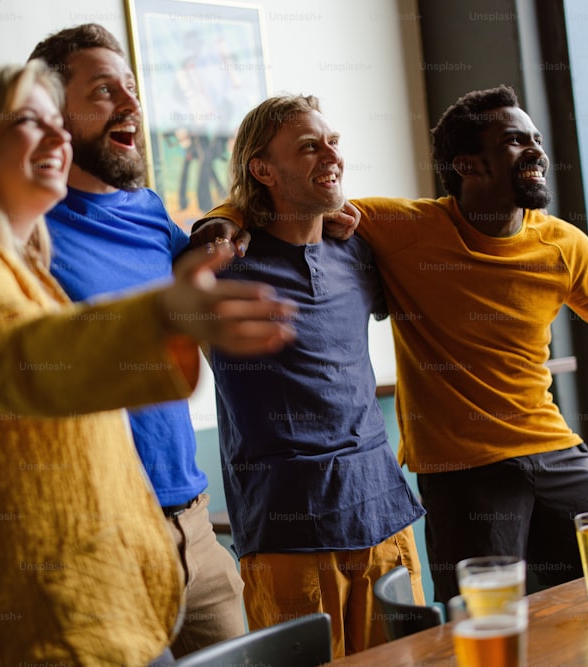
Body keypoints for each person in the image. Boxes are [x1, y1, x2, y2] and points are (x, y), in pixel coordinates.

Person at [196, 84, 588, 604]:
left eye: (534, 139)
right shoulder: (399, 227)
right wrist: (220, 223)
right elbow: (285, 203)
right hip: (464, 474)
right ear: (467, 165)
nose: (535, 150)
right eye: (515, 140)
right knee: (484, 626)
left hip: (556, 453)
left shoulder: (560, 242)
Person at [0, 60, 295, 666]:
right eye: (31, 122)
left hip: (104, 584)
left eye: (59, 123)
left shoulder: (27, 269)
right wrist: (163, 314)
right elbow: (15, 358)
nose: (59, 139)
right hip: (11, 621)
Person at [197, 94, 427, 659]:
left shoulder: (358, 252)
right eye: (308, 146)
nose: (331, 154)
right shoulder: (221, 261)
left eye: (333, 142)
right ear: (263, 169)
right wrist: (224, 217)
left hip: (383, 515)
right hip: (288, 532)